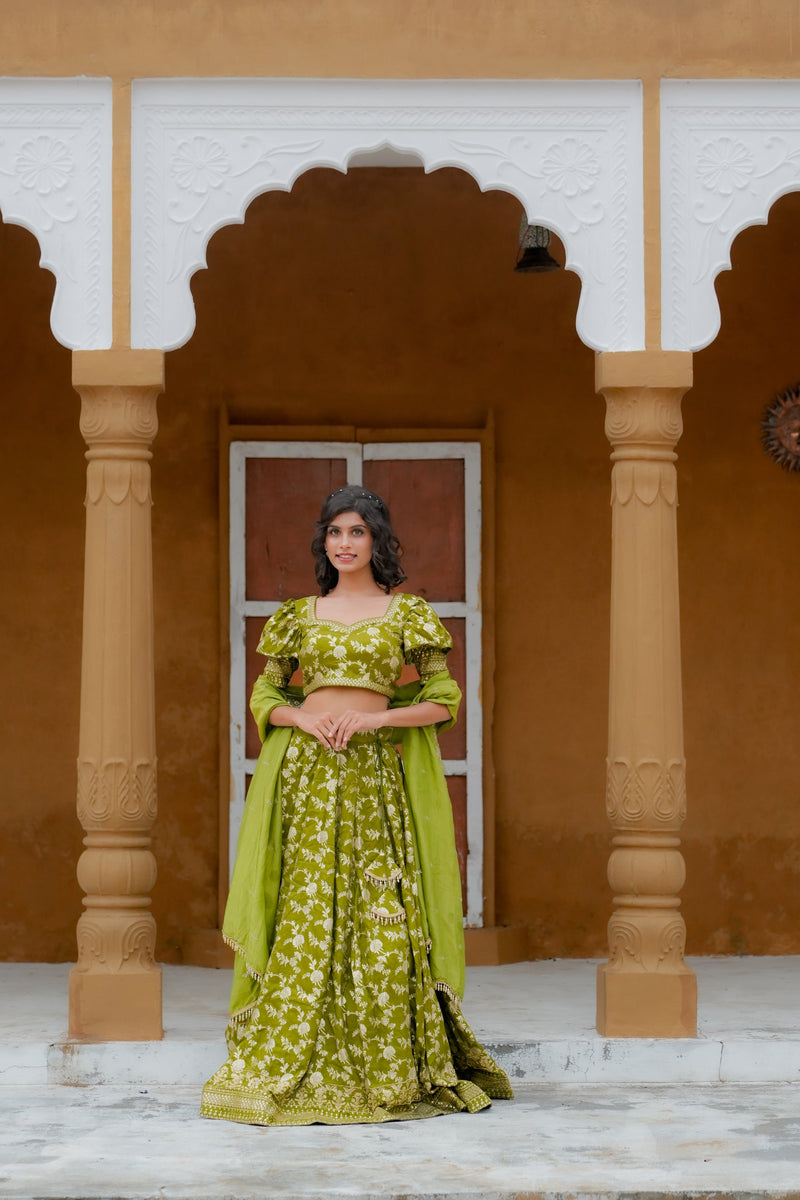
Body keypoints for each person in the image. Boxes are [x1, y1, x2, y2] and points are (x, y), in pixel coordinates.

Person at [201, 485, 512, 1126]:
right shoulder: (296, 616)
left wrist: (373, 723)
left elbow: (443, 698)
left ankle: (386, 1060)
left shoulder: (406, 614)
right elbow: (265, 696)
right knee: (307, 907)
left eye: (357, 532)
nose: (344, 544)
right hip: (309, 778)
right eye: (335, 533)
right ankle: (290, 1054)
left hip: (372, 778)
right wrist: (305, 721)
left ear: (378, 541)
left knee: (376, 907)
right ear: (325, 543)